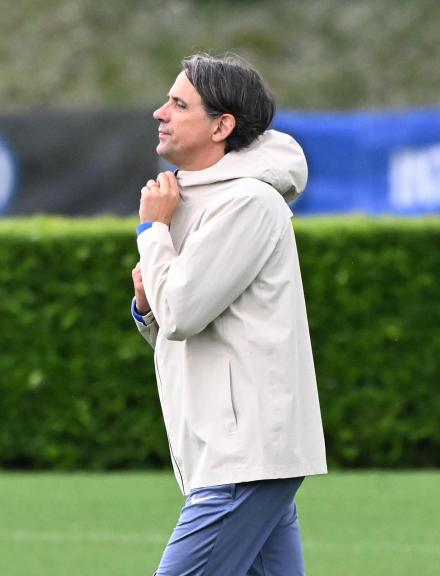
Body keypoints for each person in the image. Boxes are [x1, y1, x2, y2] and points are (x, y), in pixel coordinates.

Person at [131, 53, 327, 575]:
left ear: (222, 126)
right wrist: (145, 308)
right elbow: (176, 326)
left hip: (244, 457)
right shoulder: (193, 198)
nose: (160, 112)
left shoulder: (248, 203)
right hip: (235, 456)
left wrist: (152, 234)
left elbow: (183, 315)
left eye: (178, 103)